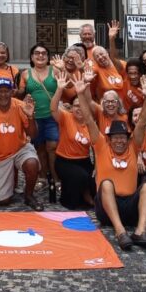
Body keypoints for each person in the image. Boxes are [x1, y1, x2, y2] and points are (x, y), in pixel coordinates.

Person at [77, 79, 146, 250]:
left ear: (127, 139)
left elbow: (142, 121)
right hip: (106, 208)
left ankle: (140, 232)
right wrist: (80, 94)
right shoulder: (101, 146)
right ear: (109, 138)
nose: (119, 140)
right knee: (106, 183)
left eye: (122, 137)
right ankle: (120, 232)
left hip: (130, 206)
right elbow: (90, 120)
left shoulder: (133, 147)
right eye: (115, 137)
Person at [0, 76, 41, 209]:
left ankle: (29, 195)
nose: (3, 94)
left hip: (20, 148)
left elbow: (33, 135)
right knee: (3, 200)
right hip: (0, 155)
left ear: (12, 92)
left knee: (32, 163)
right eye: (0, 91)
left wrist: (31, 117)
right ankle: (6, 179)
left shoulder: (21, 106)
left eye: (7, 91)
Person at [18, 42, 58, 202]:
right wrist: (19, 93)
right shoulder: (26, 74)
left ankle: (55, 177)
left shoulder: (55, 71)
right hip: (35, 117)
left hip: (52, 115)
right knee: (39, 148)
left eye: (43, 53)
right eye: (37, 53)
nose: (40, 56)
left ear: (48, 57)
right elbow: (21, 93)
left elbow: (67, 87)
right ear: (32, 57)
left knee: (53, 146)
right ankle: (42, 177)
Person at [50, 68, 94, 209]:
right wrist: (59, 89)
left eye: (81, 105)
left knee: (94, 178)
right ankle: (71, 198)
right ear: (71, 108)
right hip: (65, 161)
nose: (78, 108)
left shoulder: (90, 122)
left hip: (84, 161)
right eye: (75, 106)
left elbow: (97, 148)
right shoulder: (66, 117)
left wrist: (98, 168)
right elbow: (53, 108)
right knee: (79, 177)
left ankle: (85, 194)